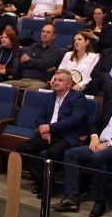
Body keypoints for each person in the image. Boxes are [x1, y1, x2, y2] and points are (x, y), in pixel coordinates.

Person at [52, 77, 112, 217]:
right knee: (70, 153)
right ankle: (71, 196)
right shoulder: (109, 104)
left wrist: (108, 143)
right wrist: (95, 136)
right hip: (99, 143)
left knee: (98, 156)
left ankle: (99, 200)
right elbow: (95, 123)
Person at [17, 69, 90, 197]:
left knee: (53, 153)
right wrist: (42, 129)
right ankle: (45, 183)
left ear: (69, 84)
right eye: (55, 80)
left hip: (67, 135)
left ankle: (45, 185)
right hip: (49, 133)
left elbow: (75, 120)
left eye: (60, 80)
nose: (55, 83)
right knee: (23, 148)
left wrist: (50, 128)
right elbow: (40, 117)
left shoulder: (78, 98)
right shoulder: (50, 96)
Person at [6, 24, 63, 90]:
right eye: (43, 31)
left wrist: (29, 59)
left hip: (40, 81)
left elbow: (44, 64)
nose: (44, 34)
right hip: (24, 79)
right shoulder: (33, 46)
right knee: (1, 86)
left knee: (30, 91)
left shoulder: (56, 50)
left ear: (54, 36)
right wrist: (40, 65)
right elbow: (24, 63)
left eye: (48, 32)